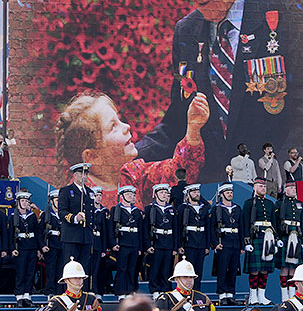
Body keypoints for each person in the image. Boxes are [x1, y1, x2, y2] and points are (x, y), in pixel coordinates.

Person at [135, 0, 302, 183]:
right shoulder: (186, 31)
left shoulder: (290, 12)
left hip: (270, 186)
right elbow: (178, 119)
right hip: (211, 195)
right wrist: (130, 155)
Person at [56, 92, 209, 209]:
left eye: (119, 120)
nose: (126, 127)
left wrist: (193, 130)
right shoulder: (80, 200)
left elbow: (178, 173)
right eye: (113, 127)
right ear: (92, 157)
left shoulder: (133, 174)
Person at [58, 162, 96, 278]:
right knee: (70, 267)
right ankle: (69, 294)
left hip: (86, 236)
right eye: (81, 174)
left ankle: (81, 293)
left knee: (84, 268)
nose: (84, 176)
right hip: (72, 236)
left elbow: (91, 214)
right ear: (75, 175)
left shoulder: (90, 193)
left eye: (86, 174)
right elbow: (62, 212)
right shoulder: (66, 191)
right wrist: (74, 218)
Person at [243, 176, 276, 305]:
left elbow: (273, 222)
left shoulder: (269, 203)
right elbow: (245, 222)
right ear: (254, 187)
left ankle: (262, 295)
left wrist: (276, 238)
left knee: (264, 268)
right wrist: (247, 241)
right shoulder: (249, 203)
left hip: (268, 237)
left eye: (264, 186)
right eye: (261, 186)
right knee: (255, 269)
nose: (263, 188)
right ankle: (253, 295)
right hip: (255, 236)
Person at [210, 182, 243, 306]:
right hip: (223, 242)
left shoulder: (237, 208)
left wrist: (242, 245)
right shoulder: (217, 209)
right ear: (222, 194)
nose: (230, 194)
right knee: (222, 269)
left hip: (235, 242)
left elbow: (241, 226)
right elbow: (212, 227)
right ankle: (222, 295)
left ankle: (230, 294)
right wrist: (214, 244)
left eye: (231, 192)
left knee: (233, 270)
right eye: (227, 192)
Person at [108, 186, 143, 299]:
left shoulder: (137, 211)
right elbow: (111, 228)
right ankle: (120, 292)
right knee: (122, 268)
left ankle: (130, 291)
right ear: (121, 196)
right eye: (128, 194)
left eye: (132, 195)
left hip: (134, 243)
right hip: (122, 243)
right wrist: (113, 243)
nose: (130, 196)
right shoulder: (116, 209)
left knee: (132, 268)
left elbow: (140, 230)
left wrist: (140, 247)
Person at [143, 183, 176, 300]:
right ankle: (155, 290)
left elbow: (175, 229)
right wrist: (147, 245)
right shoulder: (149, 209)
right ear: (155, 194)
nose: (164, 194)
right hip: (156, 242)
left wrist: (175, 247)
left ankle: (165, 289)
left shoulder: (171, 210)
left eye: (165, 192)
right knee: (155, 268)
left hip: (168, 243)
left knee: (166, 269)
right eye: (161, 192)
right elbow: (145, 229)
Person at [9, 189, 41, 307]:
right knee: (20, 272)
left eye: (26, 201)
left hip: (31, 247)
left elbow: (37, 233)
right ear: (18, 202)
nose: (24, 203)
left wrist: (38, 249)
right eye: (22, 201)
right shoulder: (14, 216)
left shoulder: (32, 216)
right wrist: (12, 248)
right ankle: (19, 297)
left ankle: (27, 296)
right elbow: (10, 234)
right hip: (20, 247)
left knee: (30, 272)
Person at [275, 180, 303, 301]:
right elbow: (275, 221)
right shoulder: (280, 203)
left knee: (294, 266)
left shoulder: (300, 204)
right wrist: (277, 238)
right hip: (285, 235)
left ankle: (292, 294)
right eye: (291, 188)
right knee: (284, 267)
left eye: (294, 188)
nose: (294, 190)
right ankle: (284, 295)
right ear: (285, 190)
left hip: (296, 234)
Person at [176, 184, 209, 289]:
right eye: (194, 192)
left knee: (198, 272)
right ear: (188, 194)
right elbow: (178, 227)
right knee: (187, 270)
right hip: (188, 242)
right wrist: (179, 245)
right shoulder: (182, 208)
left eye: (198, 192)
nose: (197, 194)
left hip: (201, 243)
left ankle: (196, 294)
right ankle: (186, 293)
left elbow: (207, 228)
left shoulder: (203, 208)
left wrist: (207, 246)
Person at [41, 189, 63, 297]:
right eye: (57, 200)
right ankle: (50, 290)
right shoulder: (46, 215)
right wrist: (42, 245)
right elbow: (40, 232)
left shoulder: (64, 215)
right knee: (51, 270)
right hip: (51, 245)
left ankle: (59, 291)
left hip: (62, 245)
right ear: (52, 201)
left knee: (61, 270)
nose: (59, 202)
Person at [91, 187, 109, 299]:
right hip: (90, 241)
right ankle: (90, 290)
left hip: (98, 242)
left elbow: (105, 231)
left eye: (100, 195)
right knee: (89, 269)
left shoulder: (103, 212)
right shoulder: (88, 210)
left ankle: (97, 291)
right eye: (96, 195)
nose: (98, 197)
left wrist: (104, 248)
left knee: (98, 269)